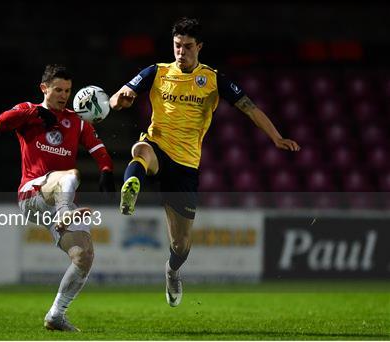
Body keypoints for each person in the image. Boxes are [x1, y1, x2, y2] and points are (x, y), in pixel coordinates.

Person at [109, 17, 300, 307]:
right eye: (176, 46)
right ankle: (130, 187)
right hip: (158, 146)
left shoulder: (212, 79)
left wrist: (276, 136)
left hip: (186, 166)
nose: (180, 52)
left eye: (187, 46)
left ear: (199, 46)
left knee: (181, 244)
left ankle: (172, 270)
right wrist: (119, 100)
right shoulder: (156, 72)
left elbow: (249, 107)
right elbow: (115, 100)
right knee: (141, 150)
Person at [0, 64, 115, 331]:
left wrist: (107, 171)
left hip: (60, 198)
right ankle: (64, 214)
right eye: (58, 90)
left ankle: (56, 315)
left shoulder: (77, 120)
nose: (63, 95)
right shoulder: (28, 110)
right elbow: (0, 123)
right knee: (69, 173)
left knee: (84, 256)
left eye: (68, 91)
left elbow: (98, 149)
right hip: (33, 194)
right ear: (44, 88)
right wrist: (35, 112)